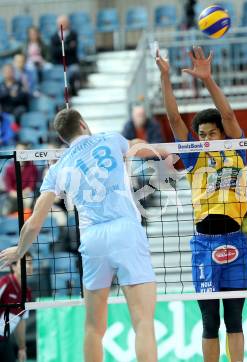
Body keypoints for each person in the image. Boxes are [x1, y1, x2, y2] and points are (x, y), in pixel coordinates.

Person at [0, 108, 161, 362]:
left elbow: (34, 222)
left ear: (63, 138)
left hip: (93, 239)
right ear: (84, 125)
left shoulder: (58, 167)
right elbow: (138, 146)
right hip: (125, 230)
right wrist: (166, 149)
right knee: (143, 323)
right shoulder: (111, 138)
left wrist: (19, 251)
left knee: (94, 329)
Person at [156, 46, 247, 362]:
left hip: (235, 240)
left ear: (222, 133)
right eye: (201, 134)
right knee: (210, 321)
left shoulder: (236, 148)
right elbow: (173, 117)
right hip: (204, 243)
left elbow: (228, 115)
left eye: (211, 133)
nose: (205, 138)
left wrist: (208, 80)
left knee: (235, 320)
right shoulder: (194, 155)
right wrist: (165, 77)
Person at [0, 251, 32, 362]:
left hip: (4, 340)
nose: (28, 266)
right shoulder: (5, 283)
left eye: (30, 263)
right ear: (13, 266)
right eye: (24, 263)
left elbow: (21, 321)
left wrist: (22, 348)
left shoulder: (27, 293)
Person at [50, 15, 80, 95]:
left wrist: (62, 48)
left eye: (64, 23)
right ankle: (64, 93)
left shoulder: (73, 34)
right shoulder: (54, 37)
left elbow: (73, 50)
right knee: (60, 72)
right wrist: (67, 47)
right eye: (60, 23)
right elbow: (54, 52)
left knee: (73, 70)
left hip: (71, 63)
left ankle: (73, 91)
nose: (62, 25)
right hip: (59, 63)